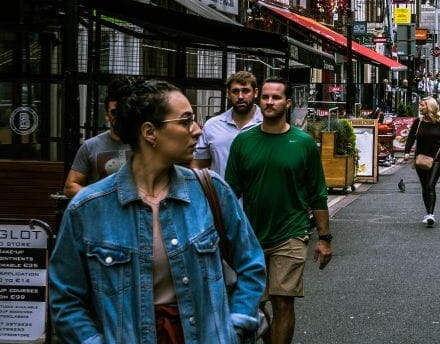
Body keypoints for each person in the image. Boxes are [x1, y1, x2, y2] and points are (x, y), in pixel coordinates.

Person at [49, 79, 265, 344]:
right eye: (185, 121)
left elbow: (251, 263)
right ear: (150, 132)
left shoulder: (210, 190)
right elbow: (65, 297)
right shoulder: (90, 207)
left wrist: (236, 325)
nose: (197, 130)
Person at [225, 78, 333, 344]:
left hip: (292, 233)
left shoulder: (303, 143)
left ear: (287, 103)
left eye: (275, 98)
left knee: (283, 303)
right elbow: (229, 192)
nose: (269, 102)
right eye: (265, 97)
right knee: (255, 304)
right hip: (252, 237)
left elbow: (317, 192)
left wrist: (324, 238)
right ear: (259, 101)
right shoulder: (243, 142)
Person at [63, 77, 133, 197]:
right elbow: (70, 187)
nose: (120, 116)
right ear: (107, 115)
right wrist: (100, 197)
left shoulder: (144, 144)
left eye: (123, 111)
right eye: (114, 112)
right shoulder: (90, 146)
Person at [404, 96, 440, 226]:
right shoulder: (418, 122)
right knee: (424, 187)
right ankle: (428, 212)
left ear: (429, 107)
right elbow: (411, 138)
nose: (420, 107)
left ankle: (430, 215)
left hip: (436, 159)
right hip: (420, 158)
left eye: (422, 105)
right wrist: (406, 152)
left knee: (430, 185)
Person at [192, 70, 263, 176]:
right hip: (220, 192)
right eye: (235, 91)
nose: (240, 97)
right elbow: (198, 166)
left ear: (256, 93)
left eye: (245, 91)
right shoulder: (212, 126)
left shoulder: (267, 124)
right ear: (228, 94)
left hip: (256, 192)